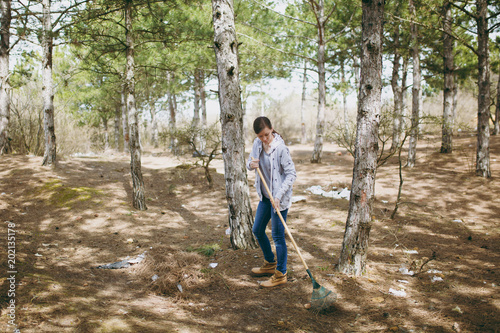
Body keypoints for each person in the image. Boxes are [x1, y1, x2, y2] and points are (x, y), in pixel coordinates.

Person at [247, 116, 296, 287]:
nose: (264, 139)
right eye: (260, 136)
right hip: (266, 197)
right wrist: (251, 165)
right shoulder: (257, 143)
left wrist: (278, 195)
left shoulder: (281, 149)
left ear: (272, 129)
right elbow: (250, 162)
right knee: (258, 230)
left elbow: (291, 175)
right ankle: (270, 263)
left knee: (277, 235)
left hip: (279, 199)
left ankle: (281, 273)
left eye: (266, 135)